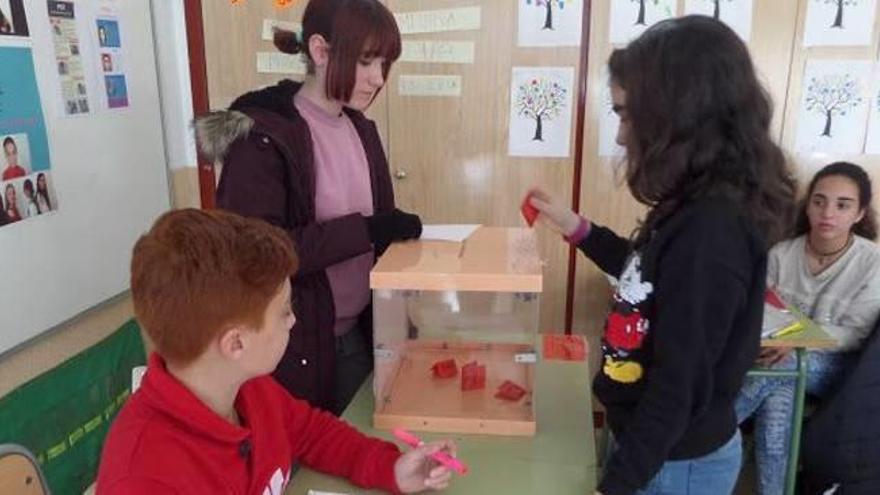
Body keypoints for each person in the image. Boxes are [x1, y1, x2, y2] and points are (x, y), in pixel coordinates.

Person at [526, 16, 796, 495]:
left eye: (628, 115)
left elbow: (678, 389)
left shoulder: (712, 231)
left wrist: (614, 486)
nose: (621, 135)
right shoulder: (695, 209)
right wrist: (574, 226)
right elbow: (646, 276)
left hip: (675, 466)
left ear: (680, 116)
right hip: (658, 451)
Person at [96, 208, 455, 494]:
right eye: (284, 311)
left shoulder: (248, 389)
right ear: (236, 343)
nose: (293, 321)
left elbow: (313, 433)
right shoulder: (143, 478)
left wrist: (390, 469)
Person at [196, 0, 422, 414]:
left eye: (385, 64)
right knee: (303, 467)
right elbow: (256, 254)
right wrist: (367, 230)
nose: (378, 78)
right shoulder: (264, 137)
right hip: (294, 346)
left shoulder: (361, 129)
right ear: (320, 52)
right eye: (366, 61)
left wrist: (390, 234)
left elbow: (376, 226)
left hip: (358, 336)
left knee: (357, 451)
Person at [735, 162, 880, 495]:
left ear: (859, 214)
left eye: (842, 205)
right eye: (819, 201)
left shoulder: (873, 262)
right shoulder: (782, 254)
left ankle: (705, 429)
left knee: (785, 366)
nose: (827, 212)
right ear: (808, 205)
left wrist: (797, 343)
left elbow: (855, 334)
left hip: (840, 368)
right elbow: (759, 312)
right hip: (778, 359)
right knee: (778, 404)